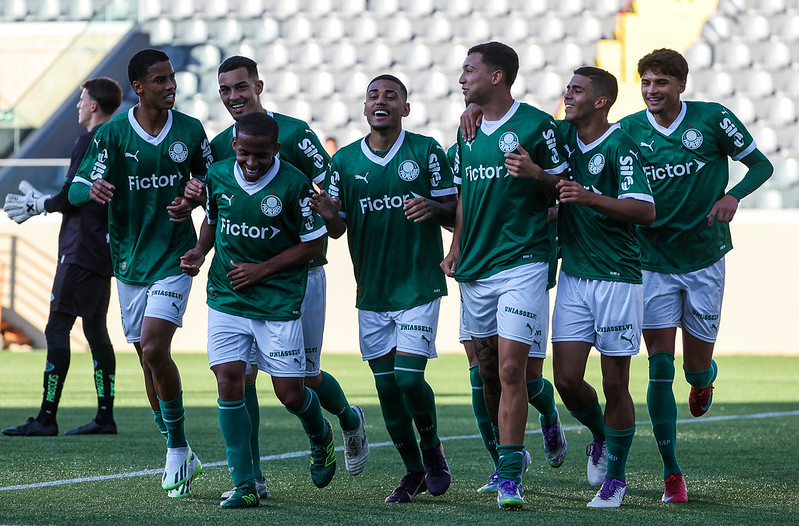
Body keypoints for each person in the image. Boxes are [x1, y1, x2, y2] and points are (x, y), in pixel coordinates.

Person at [199, 56, 368, 500]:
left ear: (258, 84)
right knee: (237, 376)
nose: (234, 96)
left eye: (241, 87)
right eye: (226, 90)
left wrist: (330, 217)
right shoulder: (219, 146)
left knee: (302, 382)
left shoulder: (293, 134)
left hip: (299, 279)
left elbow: (327, 189)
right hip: (237, 285)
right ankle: (249, 478)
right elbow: (216, 205)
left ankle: (346, 419)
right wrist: (197, 238)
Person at [618, 48, 773, 504]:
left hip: (705, 260)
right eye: (646, 82)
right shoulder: (627, 130)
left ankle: (704, 378)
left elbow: (761, 165)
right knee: (660, 366)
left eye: (661, 82)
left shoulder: (712, 120)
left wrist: (734, 195)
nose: (652, 90)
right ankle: (672, 473)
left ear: (681, 85)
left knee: (692, 367)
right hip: (651, 263)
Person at [68, 49, 213, 497]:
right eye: (160, 79)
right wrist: (90, 187)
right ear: (138, 87)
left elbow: (219, 187)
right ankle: (176, 445)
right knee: (146, 360)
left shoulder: (190, 130)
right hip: (129, 262)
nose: (170, 85)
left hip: (174, 256)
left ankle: (177, 447)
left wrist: (198, 191)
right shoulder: (112, 134)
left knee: (154, 346)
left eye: (172, 78)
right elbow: (73, 190)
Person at [312, 74, 456, 504]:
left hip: (418, 283)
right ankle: (412, 470)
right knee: (387, 390)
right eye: (373, 95)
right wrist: (326, 212)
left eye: (391, 96)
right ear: (364, 108)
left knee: (410, 380)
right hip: (371, 291)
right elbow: (337, 230)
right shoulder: (346, 163)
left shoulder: (427, 150)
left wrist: (433, 207)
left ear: (405, 109)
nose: (381, 101)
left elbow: (454, 211)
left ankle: (432, 453)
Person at [180, 111, 335, 508]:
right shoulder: (217, 176)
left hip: (278, 300)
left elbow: (314, 244)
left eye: (261, 156)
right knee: (229, 380)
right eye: (245, 154)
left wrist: (262, 270)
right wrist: (199, 251)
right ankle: (245, 483)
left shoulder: (295, 185)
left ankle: (321, 436)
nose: (251, 163)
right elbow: (214, 221)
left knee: (290, 395)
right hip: (227, 296)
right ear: (234, 146)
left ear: (276, 150)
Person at [441, 41, 568, 510]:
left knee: (511, 368)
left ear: (496, 76)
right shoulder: (466, 131)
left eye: (468, 70)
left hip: (523, 262)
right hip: (475, 266)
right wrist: (454, 249)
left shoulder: (537, 125)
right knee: (487, 375)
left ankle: (512, 476)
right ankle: (543, 411)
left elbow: (564, 188)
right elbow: (461, 196)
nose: (461, 77)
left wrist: (536, 174)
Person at [549, 66, 655, 508]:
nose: (567, 95)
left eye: (577, 90)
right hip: (573, 275)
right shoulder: (560, 136)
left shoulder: (620, 146)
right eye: (568, 88)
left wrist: (588, 196)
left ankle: (616, 478)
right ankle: (599, 434)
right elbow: (517, 123)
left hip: (616, 277)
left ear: (600, 101)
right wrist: (475, 109)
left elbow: (645, 211)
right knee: (567, 380)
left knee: (615, 383)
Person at [2, 77, 122, 437]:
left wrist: (41, 205)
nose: (78, 105)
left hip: (79, 249)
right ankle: (104, 415)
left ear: (94, 106)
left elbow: (74, 194)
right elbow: (81, 192)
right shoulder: (116, 140)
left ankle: (47, 417)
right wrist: (47, 200)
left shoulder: (89, 139)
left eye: (82, 99)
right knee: (96, 331)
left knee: (57, 327)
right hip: (101, 249)